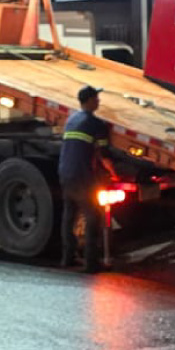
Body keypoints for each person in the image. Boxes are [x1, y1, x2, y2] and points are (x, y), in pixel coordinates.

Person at [57, 85, 118, 272]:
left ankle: (67, 259)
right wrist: (114, 173)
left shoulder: (71, 119)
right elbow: (104, 155)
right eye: (96, 98)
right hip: (82, 177)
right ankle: (91, 263)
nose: (99, 101)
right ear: (90, 100)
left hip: (65, 173)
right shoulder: (97, 124)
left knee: (69, 216)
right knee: (93, 217)